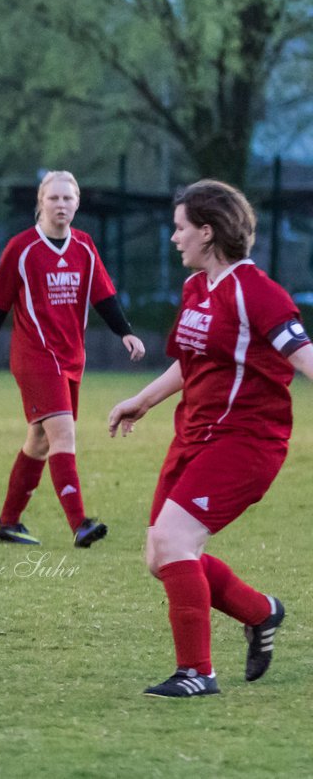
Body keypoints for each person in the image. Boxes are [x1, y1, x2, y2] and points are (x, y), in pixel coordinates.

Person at [108, 179, 308, 698]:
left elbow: (304, 355)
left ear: (207, 231)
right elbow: (190, 361)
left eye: (179, 229)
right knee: (160, 555)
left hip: (245, 442)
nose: (173, 238)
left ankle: (197, 673)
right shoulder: (197, 288)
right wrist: (144, 400)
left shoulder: (258, 293)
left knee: (176, 541)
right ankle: (261, 613)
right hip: (194, 435)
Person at [0, 170, 145, 546]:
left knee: (39, 441)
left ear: (77, 203)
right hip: (35, 356)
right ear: (41, 202)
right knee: (63, 433)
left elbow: (104, 297)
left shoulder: (84, 246)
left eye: (68, 198)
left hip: (70, 357)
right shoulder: (22, 248)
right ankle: (79, 523)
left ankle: (8, 522)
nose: (61, 204)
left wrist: (125, 331)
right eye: (54, 198)